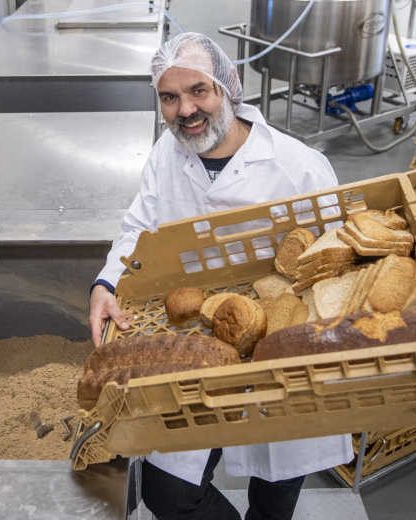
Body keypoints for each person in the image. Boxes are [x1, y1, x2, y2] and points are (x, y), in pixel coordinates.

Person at [88, 33, 353, 520]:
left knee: (274, 487)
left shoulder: (299, 169)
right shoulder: (165, 158)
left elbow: (339, 263)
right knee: (168, 492)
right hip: (193, 342)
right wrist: (105, 284)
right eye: (169, 97)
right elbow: (137, 231)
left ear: (230, 86)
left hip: (283, 351)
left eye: (199, 91)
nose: (185, 109)